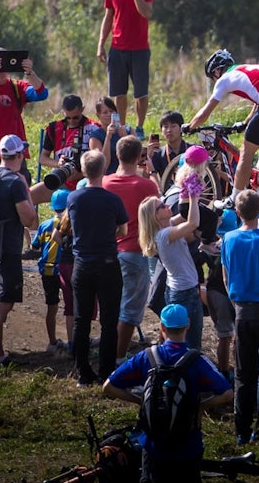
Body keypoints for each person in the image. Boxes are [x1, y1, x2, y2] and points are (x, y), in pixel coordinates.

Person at [103, 303, 232, 483]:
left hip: (154, 447)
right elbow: (227, 393)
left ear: (162, 328)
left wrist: (139, 400)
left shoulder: (146, 357)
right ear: (187, 326)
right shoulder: (197, 360)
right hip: (188, 447)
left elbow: (108, 386)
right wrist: (201, 406)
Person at [188, 49, 259, 204]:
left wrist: (189, 127)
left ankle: (234, 198)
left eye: (212, 77)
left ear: (217, 70)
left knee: (245, 152)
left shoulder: (224, 79)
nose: (214, 81)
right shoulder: (250, 68)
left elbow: (204, 113)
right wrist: (247, 121)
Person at [220, 189, 259, 444]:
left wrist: (237, 301)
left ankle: (242, 429)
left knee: (243, 373)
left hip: (242, 311)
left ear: (237, 212)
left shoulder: (228, 239)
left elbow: (226, 278)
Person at [67, 150, 129, 386]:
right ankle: (106, 371)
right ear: (104, 170)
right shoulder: (113, 200)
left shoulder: (74, 198)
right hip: (107, 263)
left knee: (82, 320)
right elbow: (123, 231)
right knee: (109, 320)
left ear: (83, 171)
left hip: (82, 264)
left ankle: (82, 371)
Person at [0, 134, 37, 369]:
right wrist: (27, 190)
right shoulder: (15, 182)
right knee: (5, 303)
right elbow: (30, 221)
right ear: (20, 156)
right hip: (8, 249)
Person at [103, 135, 160, 359]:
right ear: (139, 157)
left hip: (108, 251)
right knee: (130, 310)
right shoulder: (146, 186)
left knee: (111, 305)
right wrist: (152, 174)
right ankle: (117, 358)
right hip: (135, 253)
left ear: (117, 155)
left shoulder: (105, 182)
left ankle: (107, 352)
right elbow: (158, 206)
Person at [97, 0, 154, 138]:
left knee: (141, 93)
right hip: (118, 48)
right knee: (119, 93)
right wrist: (101, 44)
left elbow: (146, 12)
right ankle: (121, 128)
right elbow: (108, 18)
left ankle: (139, 127)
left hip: (139, 49)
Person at [140, 191, 206, 348]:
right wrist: (194, 197)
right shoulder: (164, 234)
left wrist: (186, 187)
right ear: (155, 216)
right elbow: (192, 224)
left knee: (180, 342)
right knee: (191, 343)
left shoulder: (167, 225)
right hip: (185, 293)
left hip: (180, 290)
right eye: (162, 206)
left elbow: (184, 216)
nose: (167, 205)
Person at [0, 46, 48, 169]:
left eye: (4, 63)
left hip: (14, 152)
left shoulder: (17, 87)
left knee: (17, 187)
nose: (1, 69)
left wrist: (30, 73)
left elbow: (42, 94)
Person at [32, 188, 74, 353]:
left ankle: (52, 341)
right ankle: (73, 339)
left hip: (47, 270)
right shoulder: (70, 224)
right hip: (65, 268)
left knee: (52, 306)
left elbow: (35, 247)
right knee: (70, 305)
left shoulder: (45, 225)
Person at [39, 95, 96, 189]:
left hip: (85, 181)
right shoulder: (54, 128)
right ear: (63, 112)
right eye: (68, 117)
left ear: (82, 109)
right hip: (61, 179)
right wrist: (58, 163)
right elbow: (43, 158)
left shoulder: (93, 128)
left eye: (75, 117)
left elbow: (98, 159)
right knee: (29, 195)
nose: (71, 121)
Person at [88, 96, 130, 174]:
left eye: (111, 111)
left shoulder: (128, 130)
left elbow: (134, 159)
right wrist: (108, 137)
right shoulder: (95, 137)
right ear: (98, 115)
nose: (109, 115)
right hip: (107, 176)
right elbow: (103, 166)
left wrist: (125, 139)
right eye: (105, 112)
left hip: (126, 175)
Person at [147, 110, 190, 185]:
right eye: (165, 127)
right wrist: (148, 158)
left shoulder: (191, 150)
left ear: (181, 128)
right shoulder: (159, 154)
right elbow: (146, 178)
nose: (169, 130)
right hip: (169, 194)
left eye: (173, 126)